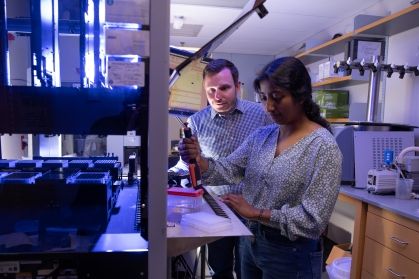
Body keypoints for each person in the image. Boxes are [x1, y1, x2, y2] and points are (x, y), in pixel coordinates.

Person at [177, 56, 343, 279]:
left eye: (277, 97)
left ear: (300, 96)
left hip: (289, 253)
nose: (268, 107)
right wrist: (198, 159)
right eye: (264, 98)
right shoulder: (263, 136)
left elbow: (313, 221)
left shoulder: (322, 146)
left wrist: (257, 213)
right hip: (251, 242)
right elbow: (228, 170)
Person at [169, 58, 272, 279]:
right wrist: (178, 165)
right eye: (211, 90)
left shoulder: (262, 115)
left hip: (252, 209)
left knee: (248, 271)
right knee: (219, 270)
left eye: (224, 88)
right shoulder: (196, 121)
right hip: (216, 209)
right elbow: (189, 165)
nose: (217, 96)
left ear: (237, 86)